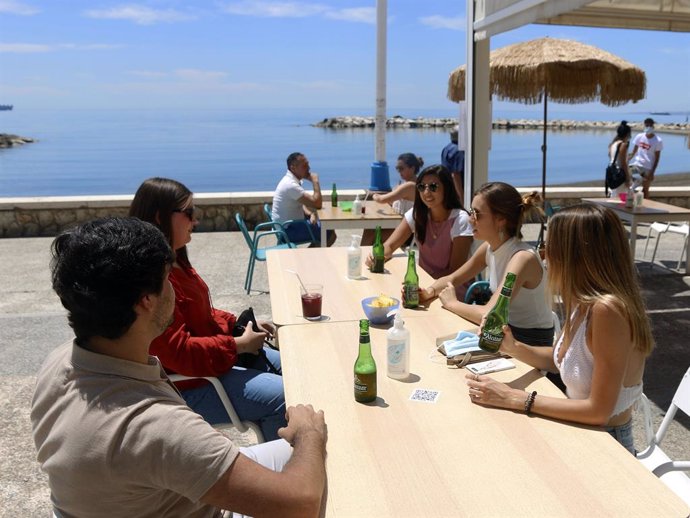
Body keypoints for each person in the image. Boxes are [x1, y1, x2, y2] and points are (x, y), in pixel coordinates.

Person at [31, 217, 327, 517]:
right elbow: (300, 504)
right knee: (327, 463)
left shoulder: (58, 364)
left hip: (150, 498)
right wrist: (308, 434)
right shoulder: (157, 428)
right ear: (146, 301)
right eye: (167, 279)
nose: (175, 291)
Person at [465, 204, 653, 454]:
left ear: (575, 254)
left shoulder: (607, 311)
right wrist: (513, 347)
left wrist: (514, 398)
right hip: (582, 431)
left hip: (607, 444)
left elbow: (598, 411)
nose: (544, 256)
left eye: (548, 247)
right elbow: (563, 359)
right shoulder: (583, 301)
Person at [130, 177, 286, 441]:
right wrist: (237, 345)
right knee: (283, 396)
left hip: (209, 367)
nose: (196, 221)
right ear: (159, 216)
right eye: (189, 213)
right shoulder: (153, 280)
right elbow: (178, 353)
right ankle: (283, 472)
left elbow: (203, 313)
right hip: (189, 385)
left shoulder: (176, 260)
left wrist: (241, 325)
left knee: (296, 363)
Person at [421, 182, 554, 347]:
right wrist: (428, 292)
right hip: (505, 334)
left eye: (476, 214)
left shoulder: (521, 258)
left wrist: (452, 303)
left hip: (530, 344)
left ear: (500, 219)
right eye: (471, 212)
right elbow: (453, 278)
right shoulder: (489, 248)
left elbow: (490, 313)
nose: (470, 220)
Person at [365, 165, 473, 300]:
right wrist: (377, 255)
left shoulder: (461, 220)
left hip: (452, 291)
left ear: (447, 188)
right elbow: (390, 246)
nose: (426, 192)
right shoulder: (418, 214)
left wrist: (427, 286)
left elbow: (455, 271)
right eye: (422, 187)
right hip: (423, 286)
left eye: (433, 187)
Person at [272, 152, 336, 246]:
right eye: (305, 166)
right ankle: (308, 258)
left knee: (326, 230)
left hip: (286, 226)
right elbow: (317, 204)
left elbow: (301, 204)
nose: (309, 168)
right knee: (328, 232)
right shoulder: (290, 185)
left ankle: (307, 257)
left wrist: (310, 214)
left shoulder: (291, 181)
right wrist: (315, 181)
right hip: (287, 231)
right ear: (293, 168)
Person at [363, 152, 423, 245]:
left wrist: (373, 195)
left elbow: (382, 200)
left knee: (371, 234)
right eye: (397, 169)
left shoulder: (410, 186)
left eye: (401, 168)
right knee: (369, 229)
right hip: (400, 225)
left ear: (412, 168)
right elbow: (393, 201)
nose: (399, 172)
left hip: (408, 232)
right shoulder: (411, 183)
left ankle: (365, 256)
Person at [629, 118, 663, 198]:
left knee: (645, 189)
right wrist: (626, 158)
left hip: (648, 168)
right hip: (637, 165)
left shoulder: (658, 140)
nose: (648, 127)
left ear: (653, 126)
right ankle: (635, 186)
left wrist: (652, 172)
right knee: (632, 183)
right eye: (647, 125)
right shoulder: (639, 136)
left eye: (650, 125)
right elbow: (633, 152)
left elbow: (657, 158)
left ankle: (646, 207)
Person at [608, 120, 633, 198]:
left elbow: (611, 157)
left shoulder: (613, 144)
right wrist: (628, 177)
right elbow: (623, 163)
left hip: (613, 173)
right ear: (628, 134)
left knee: (614, 195)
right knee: (622, 197)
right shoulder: (623, 145)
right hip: (620, 174)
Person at [441, 127, 465, 201]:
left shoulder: (446, 148)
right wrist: (461, 196)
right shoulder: (459, 151)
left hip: (447, 186)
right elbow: (455, 174)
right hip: (457, 188)